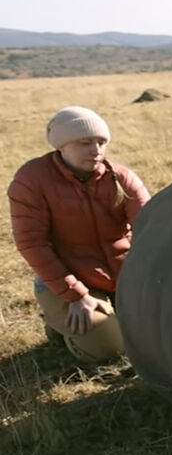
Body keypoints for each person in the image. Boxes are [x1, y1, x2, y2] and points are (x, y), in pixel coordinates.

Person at [7, 107, 151, 363]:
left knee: (160, 329)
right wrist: (76, 295)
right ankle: (61, 326)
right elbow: (32, 243)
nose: (96, 150)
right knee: (110, 348)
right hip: (66, 280)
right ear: (61, 146)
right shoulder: (31, 180)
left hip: (122, 275)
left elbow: (152, 227)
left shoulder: (121, 177)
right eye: (85, 143)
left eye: (101, 142)